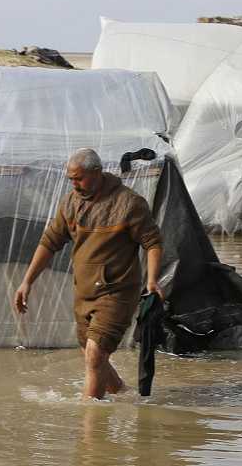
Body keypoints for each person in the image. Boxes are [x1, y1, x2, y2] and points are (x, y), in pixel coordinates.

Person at [14, 148, 163, 399]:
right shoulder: (71, 202)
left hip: (117, 292)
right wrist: (27, 282)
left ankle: (90, 424)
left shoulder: (129, 203)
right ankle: (125, 396)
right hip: (84, 292)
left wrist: (152, 281)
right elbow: (50, 242)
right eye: (71, 179)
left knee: (94, 354)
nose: (74, 184)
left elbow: (153, 243)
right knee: (92, 356)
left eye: (79, 178)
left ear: (97, 173)